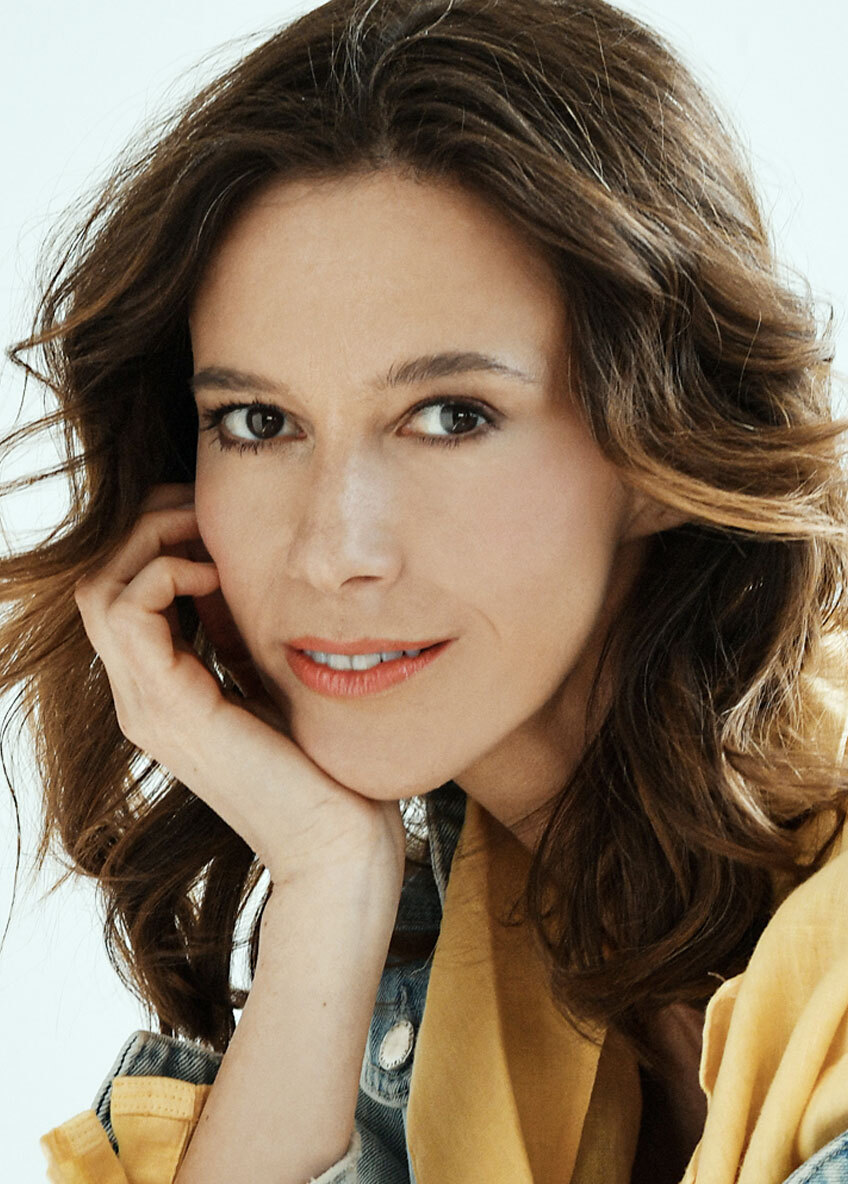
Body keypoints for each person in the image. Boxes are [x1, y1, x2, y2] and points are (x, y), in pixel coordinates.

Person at [4, 0, 848, 1180]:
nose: (331, 550)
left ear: (661, 450)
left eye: (450, 415)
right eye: (257, 422)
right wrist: (326, 879)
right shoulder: (420, 961)